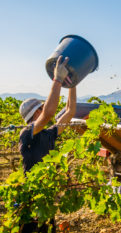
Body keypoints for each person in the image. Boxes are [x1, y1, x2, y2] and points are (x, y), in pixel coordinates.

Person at [18, 56, 76, 233]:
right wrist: (57, 79)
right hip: (32, 196)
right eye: (41, 108)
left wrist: (72, 84)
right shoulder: (28, 133)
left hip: (45, 195)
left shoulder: (49, 133)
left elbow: (70, 111)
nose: (45, 109)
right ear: (36, 112)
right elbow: (50, 113)